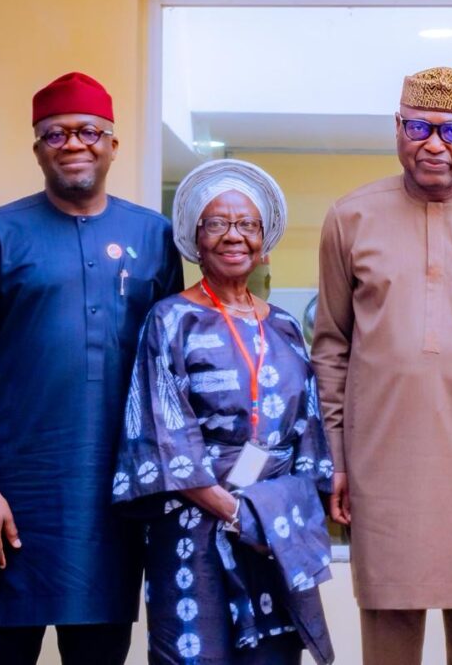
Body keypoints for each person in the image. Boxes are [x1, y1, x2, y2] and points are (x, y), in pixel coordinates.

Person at [311, 66, 452, 664]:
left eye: (451, 130)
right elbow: (332, 345)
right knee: (388, 632)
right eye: (418, 126)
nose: (434, 144)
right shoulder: (349, 218)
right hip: (381, 463)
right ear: (397, 128)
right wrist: (337, 458)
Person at [0, 72, 184, 664]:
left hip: (115, 496)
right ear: (37, 149)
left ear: (113, 144)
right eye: (55, 135)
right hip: (14, 497)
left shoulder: (153, 237)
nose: (74, 144)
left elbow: (167, 372)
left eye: (89, 132)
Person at [111, 159, 335, 665]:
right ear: (196, 236)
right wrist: (236, 513)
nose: (233, 236)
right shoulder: (170, 320)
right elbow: (165, 437)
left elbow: (308, 432)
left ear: (264, 238)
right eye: (217, 223)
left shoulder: (283, 326)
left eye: (247, 225)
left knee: (274, 655)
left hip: (272, 529)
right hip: (194, 529)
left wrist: (277, 517)